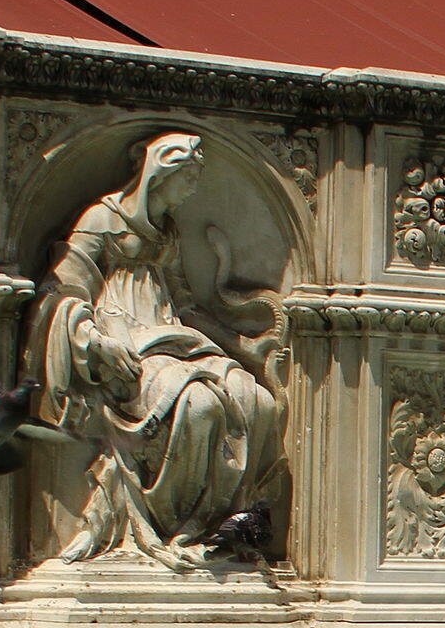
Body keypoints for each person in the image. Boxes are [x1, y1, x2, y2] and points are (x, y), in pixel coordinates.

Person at [32, 132, 284, 569]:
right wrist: (93, 341)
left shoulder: (169, 231)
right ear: (161, 173)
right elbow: (64, 291)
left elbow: (185, 306)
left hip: (172, 336)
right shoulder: (101, 219)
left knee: (256, 399)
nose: (192, 189)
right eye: (188, 178)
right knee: (200, 405)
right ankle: (176, 527)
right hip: (123, 342)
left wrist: (243, 347)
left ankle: (218, 528)